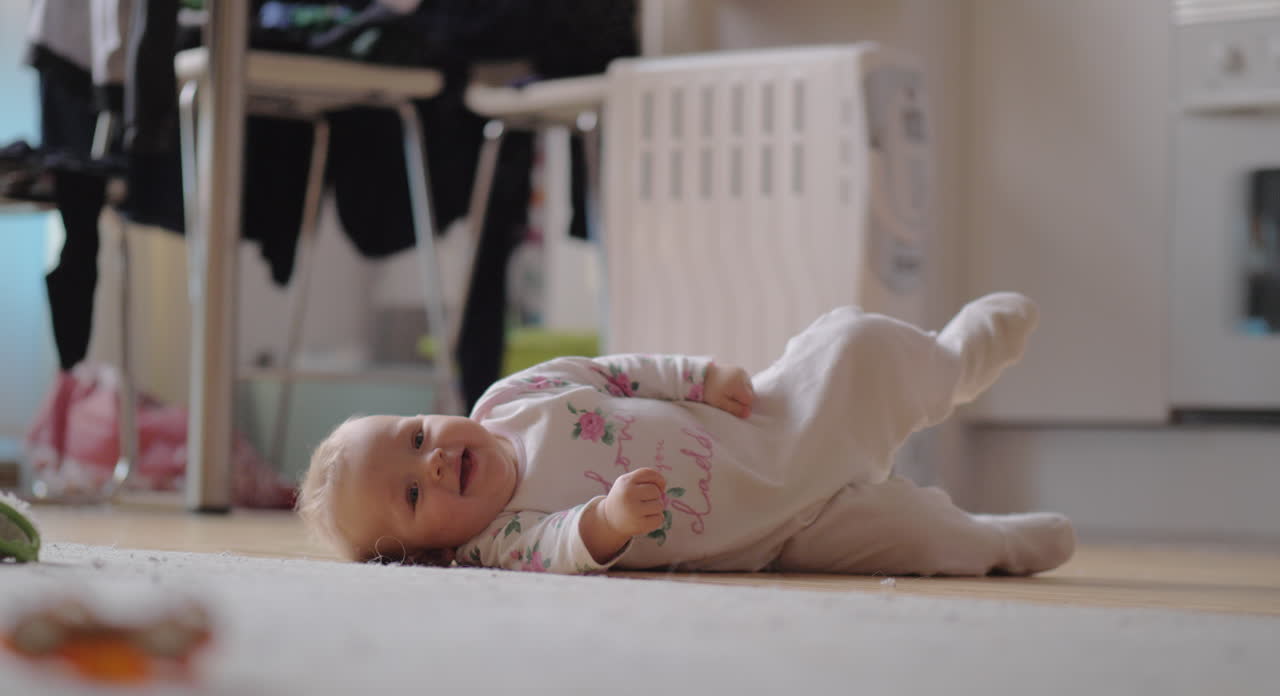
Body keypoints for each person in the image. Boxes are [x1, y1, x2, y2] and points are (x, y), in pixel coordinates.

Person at [297, 293, 1075, 576]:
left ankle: (950, 363)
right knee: (910, 537)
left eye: (415, 437)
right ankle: (994, 542)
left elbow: (614, 375)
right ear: (429, 554)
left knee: (852, 342)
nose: (434, 462)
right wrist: (608, 521)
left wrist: (696, 377)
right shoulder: (494, 541)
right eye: (410, 494)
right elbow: (563, 546)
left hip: (765, 424)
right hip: (784, 533)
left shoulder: (512, 398)